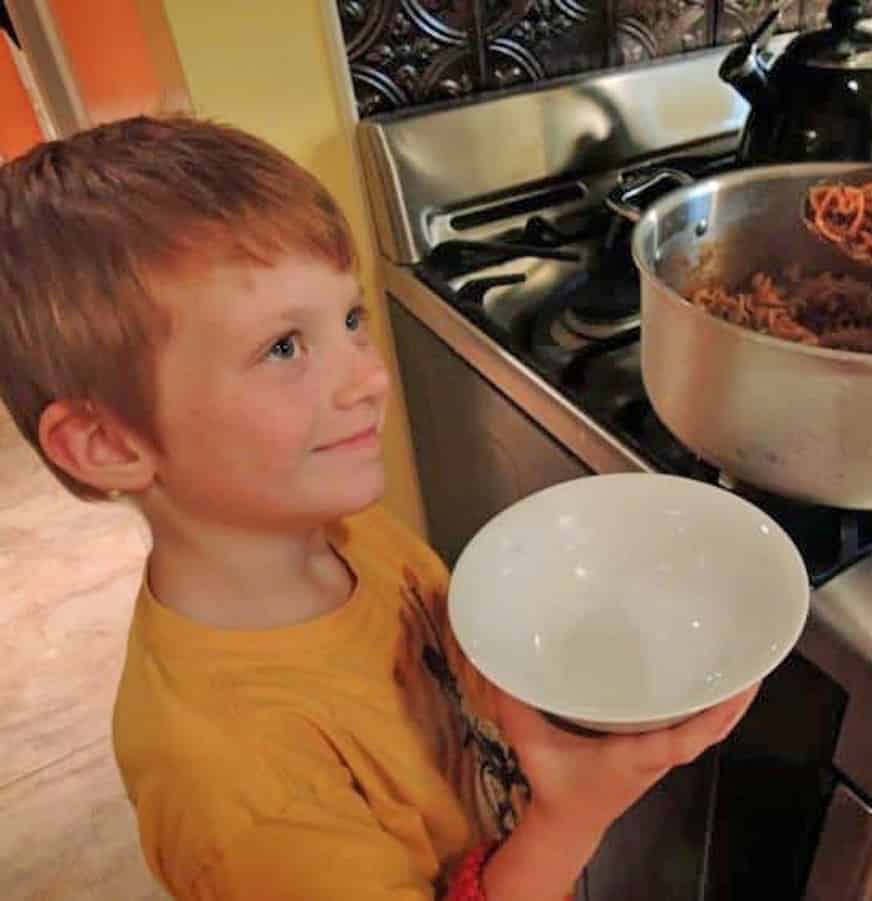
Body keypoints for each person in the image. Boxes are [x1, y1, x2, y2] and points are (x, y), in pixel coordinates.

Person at [0, 116, 757, 900]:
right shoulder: (229, 780)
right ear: (106, 441)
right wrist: (572, 817)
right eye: (284, 347)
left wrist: (566, 684)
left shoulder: (339, 529)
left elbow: (459, 671)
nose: (368, 377)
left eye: (351, 319)